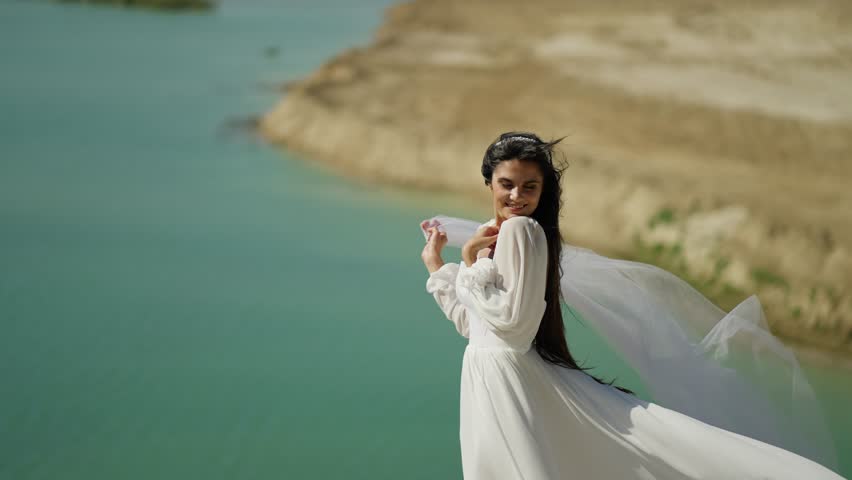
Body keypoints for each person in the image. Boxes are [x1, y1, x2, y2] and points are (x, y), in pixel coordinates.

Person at [419, 132, 844, 479]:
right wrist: (439, 266)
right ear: (488, 183)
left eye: (530, 186)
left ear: (543, 190)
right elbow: (478, 326)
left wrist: (471, 264)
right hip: (490, 375)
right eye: (506, 184)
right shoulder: (498, 234)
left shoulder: (523, 234)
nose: (517, 195)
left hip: (509, 380)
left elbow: (515, 327)